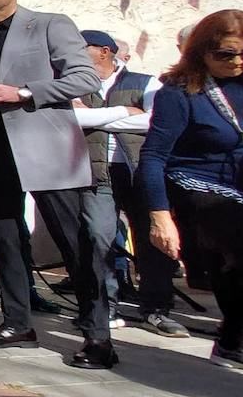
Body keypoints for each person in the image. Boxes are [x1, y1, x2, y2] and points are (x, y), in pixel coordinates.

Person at [0, 0, 109, 368]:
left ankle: (98, 336)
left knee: (75, 243)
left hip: (47, 148)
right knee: (5, 241)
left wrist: (23, 92)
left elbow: (85, 78)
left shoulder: (49, 25)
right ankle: (17, 323)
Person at [138, 10, 243, 372]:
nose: (238, 62)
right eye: (225, 54)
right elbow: (154, 156)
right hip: (203, 187)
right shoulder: (179, 91)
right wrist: (160, 218)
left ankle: (234, 343)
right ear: (202, 51)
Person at [71, 31, 187, 338]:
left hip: (140, 170)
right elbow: (71, 120)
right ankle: (105, 307)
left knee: (154, 239)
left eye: (83, 48)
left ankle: (157, 309)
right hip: (96, 172)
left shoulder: (145, 81)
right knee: (99, 237)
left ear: (104, 52)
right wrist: (126, 112)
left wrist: (94, 116)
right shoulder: (74, 83)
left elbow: (154, 120)